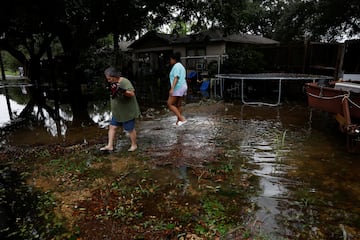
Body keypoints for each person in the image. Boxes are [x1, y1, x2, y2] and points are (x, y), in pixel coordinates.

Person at [100, 66, 141, 152]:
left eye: (109, 79)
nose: (108, 80)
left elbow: (131, 94)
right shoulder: (111, 83)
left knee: (130, 129)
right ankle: (110, 145)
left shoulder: (125, 82)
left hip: (127, 111)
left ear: (115, 76)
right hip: (117, 111)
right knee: (112, 127)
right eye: (107, 79)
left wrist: (122, 91)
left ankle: (134, 145)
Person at [168, 53, 188, 126]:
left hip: (178, 86)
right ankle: (178, 121)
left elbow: (176, 77)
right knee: (178, 105)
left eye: (170, 59)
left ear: (174, 59)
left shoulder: (176, 66)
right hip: (183, 85)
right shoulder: (181, 66)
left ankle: (181, 118)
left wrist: (172, 88)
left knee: (170, 104)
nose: (170, 61)